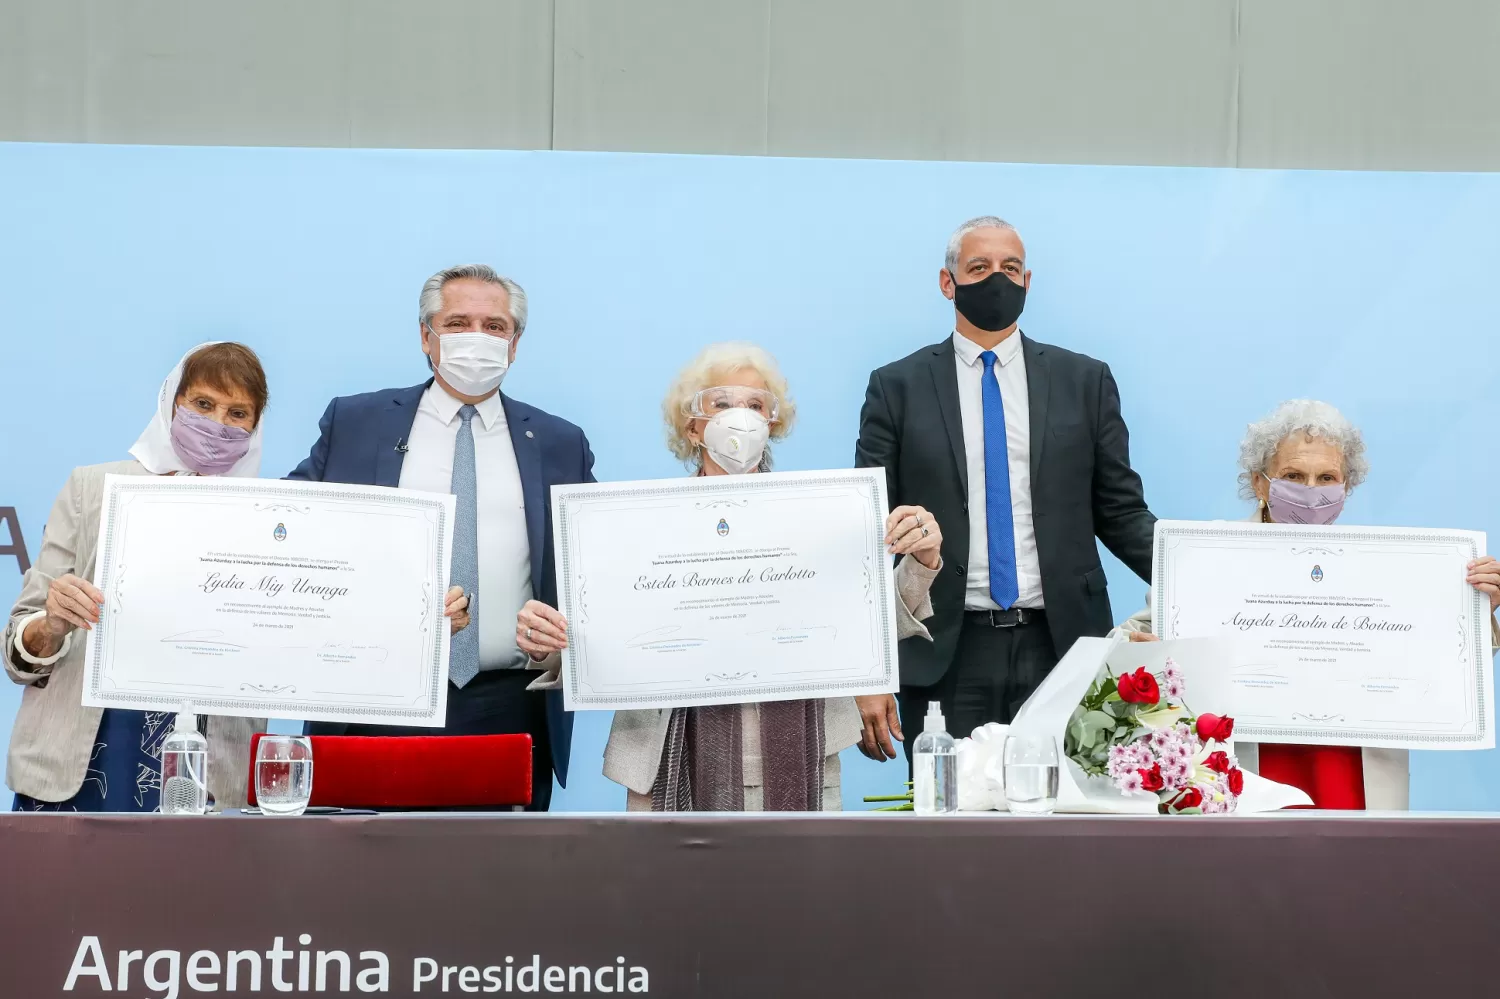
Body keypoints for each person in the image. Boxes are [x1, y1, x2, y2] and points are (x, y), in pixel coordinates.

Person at [517, 343, 944, 810]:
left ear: (773, 423)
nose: (739, 417)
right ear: (692, 424)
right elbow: (601, 638)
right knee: (675, 887)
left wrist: (922, 561)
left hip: (805, 761)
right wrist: (550, 645)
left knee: (799, 885)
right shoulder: (636, 527)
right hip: (664, 766)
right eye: (721, 404)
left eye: (755, 405)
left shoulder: (820, 518)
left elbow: (870, 627)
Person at [287, 264, 592, 811]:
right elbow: (289, 534)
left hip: (510, 709)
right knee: (365, 884)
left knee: (496, 890)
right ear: (427, 336)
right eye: (458, 322)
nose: (477, 338)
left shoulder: (559, 442)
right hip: (373, 703)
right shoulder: (357, 422)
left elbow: (596, 570)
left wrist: (563, 636)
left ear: (515, 344)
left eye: (494, 326)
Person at [855, 215, 1156, 760]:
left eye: (1010, 268)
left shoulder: (1084, 382)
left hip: (1066, 645)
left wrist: (1200, 582)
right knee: (951, 831)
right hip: (945, 645)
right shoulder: (895, 388)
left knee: (1069, 823)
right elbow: (870, 534)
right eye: (980, 267)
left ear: (1027, 281)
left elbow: (1121, 512)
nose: (997, 278)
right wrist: (864, 668)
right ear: (948, 283)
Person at [1115, 399, 1500, 809]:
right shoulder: (1206, 556)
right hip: (1244, 764)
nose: (1311, 491)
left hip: (1353, 768)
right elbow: (1126, 641)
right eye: (1294, 475)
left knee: (1357, 870)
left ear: (1346, 487)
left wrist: (1479, 609)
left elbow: (1436, 659)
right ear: (1260, 483)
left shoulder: (1387, 569)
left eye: (1327, 477)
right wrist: (1144, 650)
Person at [5, 343, 272, 811]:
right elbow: (16, 653)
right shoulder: (92, 489)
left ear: (256, 426)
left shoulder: (275, 521)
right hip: (89, 754)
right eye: (203, 404)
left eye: (238, 413)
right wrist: (50, 624)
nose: (218, 424)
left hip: (214, 770)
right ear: (172, 402)